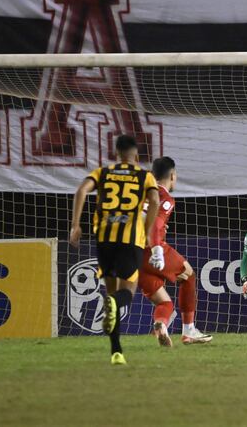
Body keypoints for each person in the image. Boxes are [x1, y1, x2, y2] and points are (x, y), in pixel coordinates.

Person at [70, 134, 160, 365]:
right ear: (136, 155)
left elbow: (81, 191)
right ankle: (114, 310)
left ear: (116, 153)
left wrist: (75, 225)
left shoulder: (103, 172)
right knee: (126, 294)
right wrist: (147, 229)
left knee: (111, 293)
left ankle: (116, 352)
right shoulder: (144, 175)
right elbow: (155, 201)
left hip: (104, 238)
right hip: (130, 240)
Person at [138, 156, 212, 347]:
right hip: (152, 249)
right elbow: (155, 224)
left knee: (165, 303)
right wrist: (156, 246)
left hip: (132, 255)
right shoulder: (164, 198)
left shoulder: (138, 192)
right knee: (188, 274)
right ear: (172, 175)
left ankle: (161, 325)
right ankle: (189, 331)